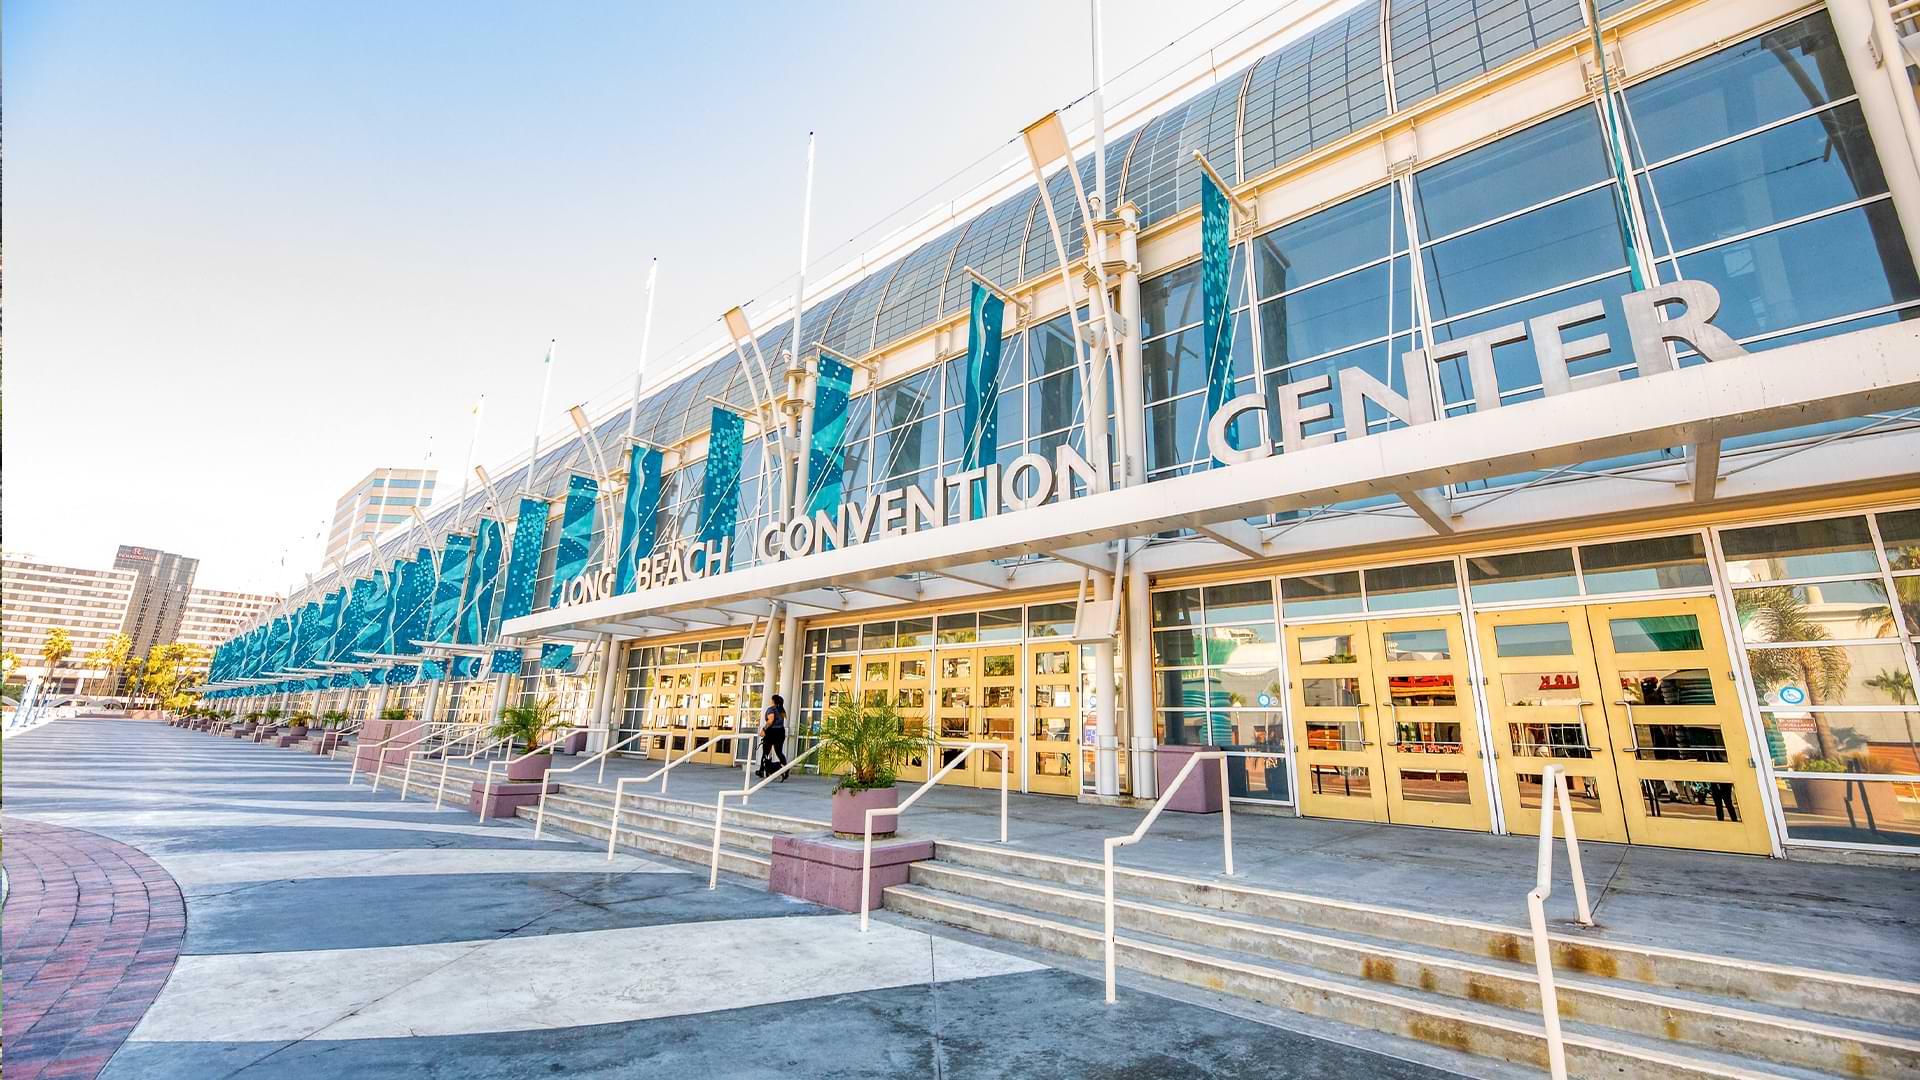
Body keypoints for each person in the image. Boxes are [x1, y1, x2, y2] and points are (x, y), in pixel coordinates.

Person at [758, 694, 789, 780]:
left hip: (771, 732)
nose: (770, 701)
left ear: (773, 701)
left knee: (766, 751)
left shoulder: (771, 709)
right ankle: (785, 769)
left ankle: (762, 770)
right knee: (779, 752)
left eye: (771, 700)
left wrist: (763, 729)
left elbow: (771, 720)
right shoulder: (782, 710)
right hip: (780, 732)